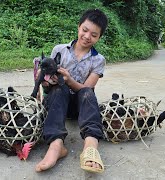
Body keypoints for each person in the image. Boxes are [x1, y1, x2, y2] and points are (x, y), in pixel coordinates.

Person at [35, 9, 108, 173]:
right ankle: (56, 146)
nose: (87, 36)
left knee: (88, 92)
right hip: (58, 104)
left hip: (80, 108)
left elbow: (87, 87)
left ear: (99, 37)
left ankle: (91, 146)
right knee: (58, 90)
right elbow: (46, 84)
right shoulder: (59, 50)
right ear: (78, 27)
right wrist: (47, 81)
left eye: (94, 35)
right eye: (85, 30)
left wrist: (69, 80)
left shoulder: (98, 59)